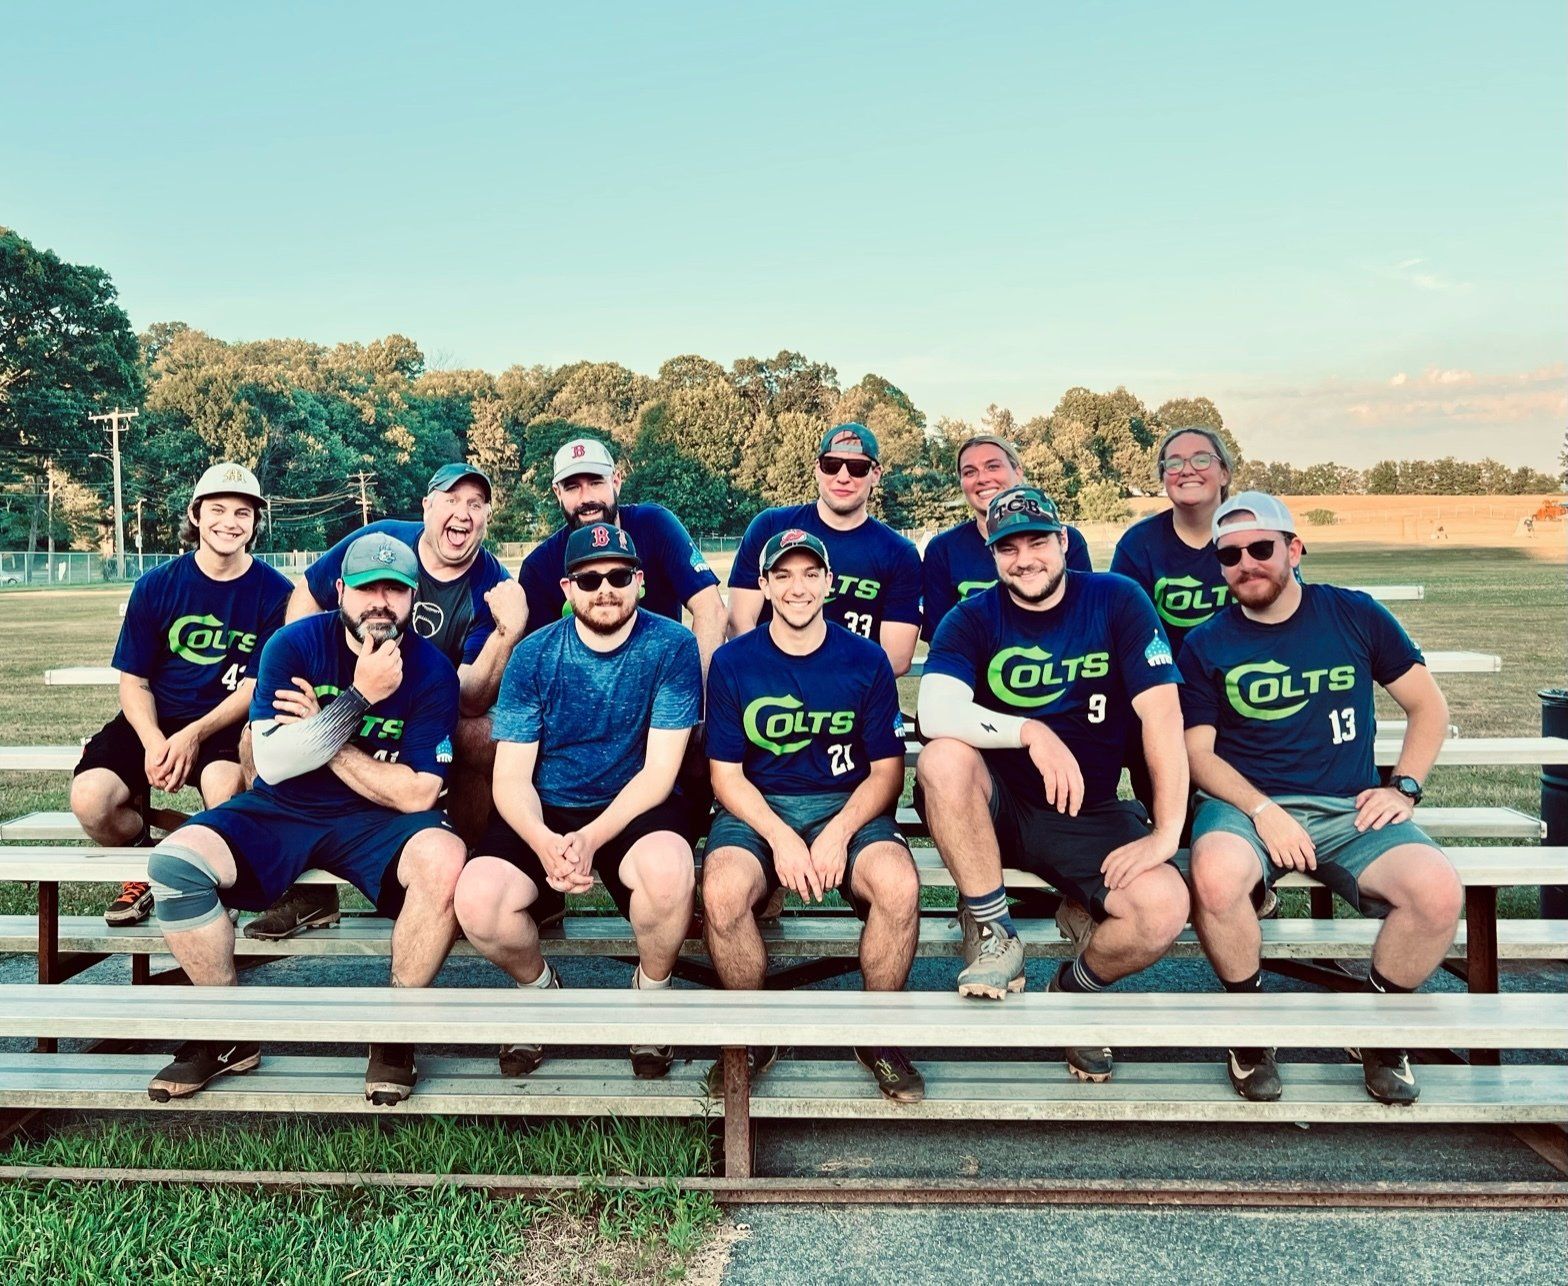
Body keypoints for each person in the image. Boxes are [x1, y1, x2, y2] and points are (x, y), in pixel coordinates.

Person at [141, 532, 467, 1105]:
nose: (381, 602)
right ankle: (226, 1033)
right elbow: (274, 761)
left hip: (379, 821)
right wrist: (360, 698)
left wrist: (325, 732)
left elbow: (418, 794)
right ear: (340, 589)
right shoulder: (293, 645)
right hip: (282, 807)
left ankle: (396, 1031)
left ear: (415, 598)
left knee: (444, 857)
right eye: (368, 587)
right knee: (176, 861)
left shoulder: (432, 670)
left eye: (396, 589)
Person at [1182, 492, 1460, 1106]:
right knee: (1217, 875)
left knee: (1438, 892)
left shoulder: (1353, 614)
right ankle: (1249, 1031)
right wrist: (1263, 810)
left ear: (1294, 549)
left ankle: (1380, 1030)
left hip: (1349, 804)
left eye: (1261, 548)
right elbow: (1198, 755)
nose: (1246, 564)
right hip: (1247, 804)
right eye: (1230, 555)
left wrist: (1405, 786)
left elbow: (1427, 705)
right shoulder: (1206, 642)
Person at [915, 486, 1189, 1083]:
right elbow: (934, 711)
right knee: (942, 759)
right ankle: (994, 931)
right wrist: (1029, 732)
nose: (1025, 558)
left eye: (1038, 541)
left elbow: (1163, 716)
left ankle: (1075, 989)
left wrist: (1167, 831)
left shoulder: (1116, 600)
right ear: (992, 556)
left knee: (1163, 907)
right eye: (1008, 547)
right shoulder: (973, 616)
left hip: (1084, 807)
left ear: (1063, 542)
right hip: (992, 803)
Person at [454, 522, 703, 1080]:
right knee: (478, 899)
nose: (604, 589)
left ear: (639, 580)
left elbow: (660, 773)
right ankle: (541, 994)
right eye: (588, 580)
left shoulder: (673, 645)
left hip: (635, 803)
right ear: (567, 589)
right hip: (550, 805)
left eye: (618, 576)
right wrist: (545, 842)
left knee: (668, 871)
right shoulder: (534, 653)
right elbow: (511, 777)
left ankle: (651, 997)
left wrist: (592, 839)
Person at [249, 463, 522, 938]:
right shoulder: (381, 541)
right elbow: (309, 594)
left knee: (479, 738)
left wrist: (507, 633)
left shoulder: (489, 582)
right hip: (341, 683)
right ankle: (304, 890)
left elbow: (472, 698)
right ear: (427, 506)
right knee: (259, 734)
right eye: (451, 500)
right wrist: (300, 664)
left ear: (487, 516)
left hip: (423, 704)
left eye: (475, 504)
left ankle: (468, 872)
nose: (462, 514)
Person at [702, 529, 924, 1103]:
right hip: (760, 806)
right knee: (723, 891)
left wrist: (835, 836)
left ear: (828, 582)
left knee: (899, 885)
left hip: (845, 805)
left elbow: (886, 773)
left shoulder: (866, 660)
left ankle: (879, 1037)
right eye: (783, 576)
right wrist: (780, 838)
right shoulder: (733, 662)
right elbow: (726, 776)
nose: (796, 587)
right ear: (766, 585)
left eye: (809, 574)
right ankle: (751, 1037)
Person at [71, 463, 291, 925]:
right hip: (156, 720)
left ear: (255, 523)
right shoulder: (157, 585)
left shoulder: (276, 592)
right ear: (195, 514)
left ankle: (210, 887)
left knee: (226, 789)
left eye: (242, 513)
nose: (229, 522)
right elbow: (134, 680)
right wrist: (154, 741)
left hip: (225, 724)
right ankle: (144, 861)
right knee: (92, 801)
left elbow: (255, 686)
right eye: (217, 510)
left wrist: (193, 734)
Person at [517, 437, 725, 679]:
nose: (586, 498)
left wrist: (694, 697)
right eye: (572, 487)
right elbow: (541, 660)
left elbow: (710, 609)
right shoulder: (539, 567)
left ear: (616, 481)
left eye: (596, 482)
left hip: (662, 688)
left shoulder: (655, 525)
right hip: (586, 696)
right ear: (557, 493)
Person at [728, 423, 922, 676]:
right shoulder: (771, 526)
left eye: (857, 468)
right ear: (817, 469)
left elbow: (896, 659)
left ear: (876, 474)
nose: (843, 477)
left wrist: (825, 686)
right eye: (831, 465)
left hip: (855, 695)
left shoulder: (899, 552)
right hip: (773, 682)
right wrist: (776, 674)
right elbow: (739, 622)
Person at [921, 434, 1092, 643]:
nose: (982, 478)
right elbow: (943, 641)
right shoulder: (942, 550)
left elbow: (1084, 622)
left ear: (1018, 472)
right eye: (969, 472)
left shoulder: (1064, 540)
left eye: (993, 466)